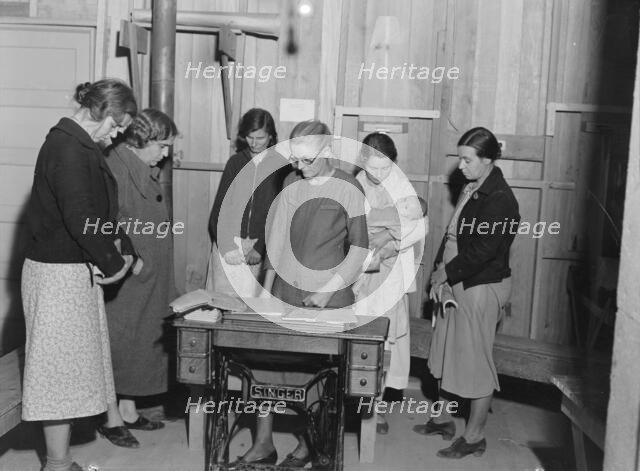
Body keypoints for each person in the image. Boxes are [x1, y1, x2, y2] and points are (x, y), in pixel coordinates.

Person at [233, 120, 369, 468]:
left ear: (327, 152)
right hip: (284, 292)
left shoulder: (348, 186)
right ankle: (263, 444)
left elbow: (359, 248)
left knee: (320, 379)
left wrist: (328, 291)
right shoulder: (291, 181)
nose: (299, 166)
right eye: (295, 158)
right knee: (262, 366)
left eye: (307, 159)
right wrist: (263, 290)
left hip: (328, 296)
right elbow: (276, 240)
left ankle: (312, 446)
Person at [21, 79, 137, 471]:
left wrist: (120, 251)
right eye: (117, 125)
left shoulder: (76, 143)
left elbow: (95, 216)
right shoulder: (69, 147)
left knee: (66, 372)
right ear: (100, 112)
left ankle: (59, 460)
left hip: (68, 273)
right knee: (58, 375)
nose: (117, 134)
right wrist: (114, 263)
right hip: (58, 277)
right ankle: (56, 464)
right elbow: (83, 219)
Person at [415, 127, 520, 459]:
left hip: (479, 286)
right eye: (460, 158)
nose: (460, 166)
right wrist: (437, 274)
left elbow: (484, 251)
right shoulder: (473, 186)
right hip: (456, 282)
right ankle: (443, 418)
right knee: (448, 352)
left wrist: (445, 272)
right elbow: (451, 237)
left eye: (466, 159)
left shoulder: (501, 198)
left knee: (476, 363)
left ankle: (474, 436)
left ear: (487, 159)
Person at [99, 109, 179, 447]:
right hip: (129, 278)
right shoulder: (115, 167)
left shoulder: (143, 167)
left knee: (141, 342)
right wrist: (132, 263)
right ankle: (109, 417)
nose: (165, 154)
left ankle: (128, 409)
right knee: (119, 342)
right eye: (162, 146)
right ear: (141, 140)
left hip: (151, 276)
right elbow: (105, 223)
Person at [353, 132, 427, 434]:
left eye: (385, 168)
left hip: (391, 274)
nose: (379, 175)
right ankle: (356, 402)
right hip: (360, 274)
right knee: (360, 336)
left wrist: (389, 238)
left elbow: (417, 227)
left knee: (387, 340)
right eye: (373, 168)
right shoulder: (353, 185)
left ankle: (377, 407)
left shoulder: (402, 186)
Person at [207, 108, 291, 297]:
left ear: (271, 136)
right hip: (228, 244)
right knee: (222, 303)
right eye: (249, 137)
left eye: (260, 138)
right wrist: (227, 246)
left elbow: (280, 214)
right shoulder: (235, 163)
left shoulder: (281, 167)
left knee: (251, 306)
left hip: (259, 247)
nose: (254, 143)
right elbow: (220, 209)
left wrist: (260, 247)